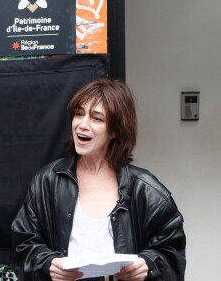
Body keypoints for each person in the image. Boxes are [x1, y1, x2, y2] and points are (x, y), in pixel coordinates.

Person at [11, 78, 186, 281]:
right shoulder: (47, 181)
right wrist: (47, 264)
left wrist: (148, 265)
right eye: (79, 114)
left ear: (115, 131)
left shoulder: (146, 190)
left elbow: (173, 253)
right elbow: (22, 246)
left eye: (97, 118)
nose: (82, 125)